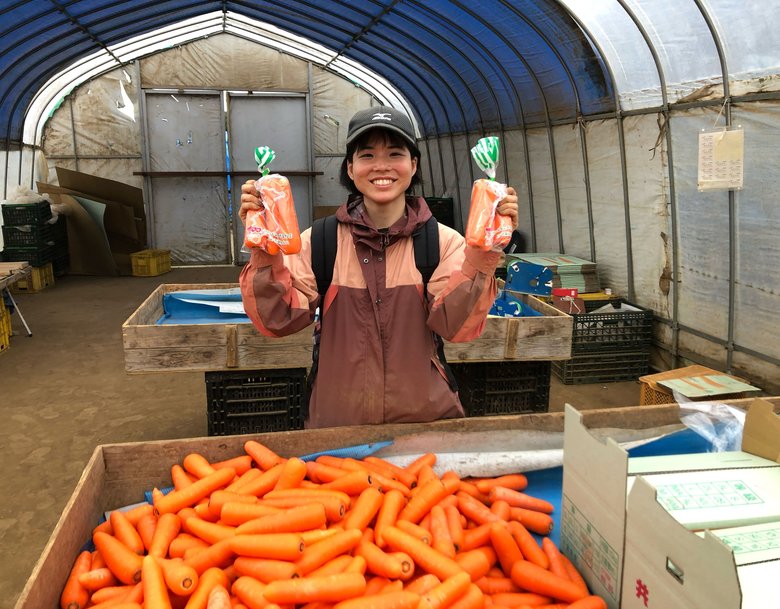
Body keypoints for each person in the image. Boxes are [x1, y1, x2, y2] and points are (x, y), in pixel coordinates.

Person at [239, 105, 518, 428]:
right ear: (351, 167)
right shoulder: (320, 241)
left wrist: (485, 253)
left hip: (425, 424)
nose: (381, 167)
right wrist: (264, 249)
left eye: (395, 154)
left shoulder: (444, 243)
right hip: (337, 426)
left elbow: (455, 327)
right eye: (367, 155)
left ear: (413, 166)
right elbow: (277, 319)